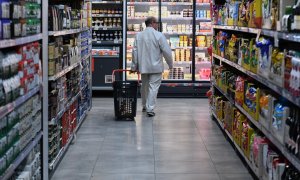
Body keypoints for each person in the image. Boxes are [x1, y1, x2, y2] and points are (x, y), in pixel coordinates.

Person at [131, 16, 173, 117]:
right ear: (152, 23)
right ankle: (150, 108)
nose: (157, 25)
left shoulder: (139, 35)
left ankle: (144, 105)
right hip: (156, 67)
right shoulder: (159, 35)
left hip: (143, 66)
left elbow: (134, 52)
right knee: (153, 87)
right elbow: (167, 51)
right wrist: (170, 64)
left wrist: (134, 66)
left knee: (144, 86)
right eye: (157, 23)